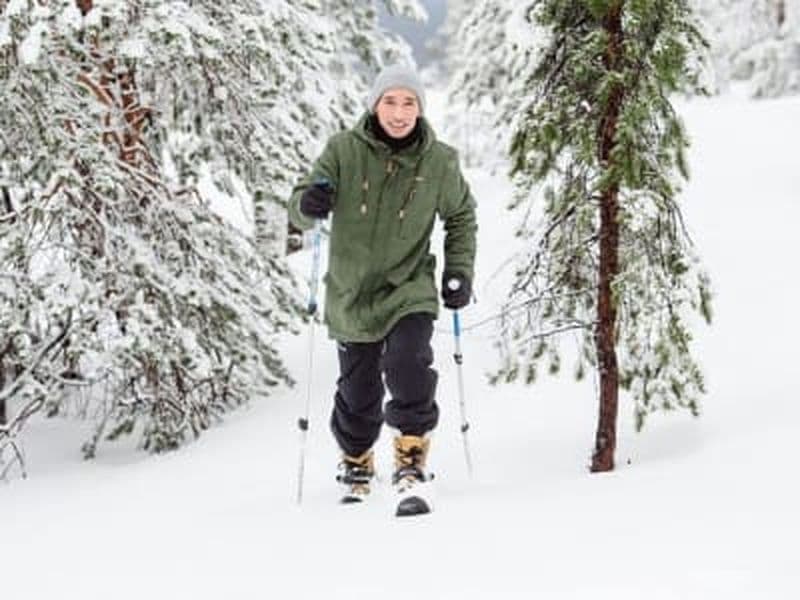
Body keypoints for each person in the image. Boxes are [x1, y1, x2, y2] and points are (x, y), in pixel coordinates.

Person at [288, 64, 477, 516]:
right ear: (375, 105)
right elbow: (299, 207)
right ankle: (356, 461)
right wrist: (308, 203)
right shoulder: (343, 150)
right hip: (352, 293)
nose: (399, 112)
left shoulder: (439, 161)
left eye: (409, 102)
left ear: (420, 108)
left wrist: (459, 271)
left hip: (408, 287)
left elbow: (461, 216)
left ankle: (411, 460)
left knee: (408, 362)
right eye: (390, 101)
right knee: (358, 391)